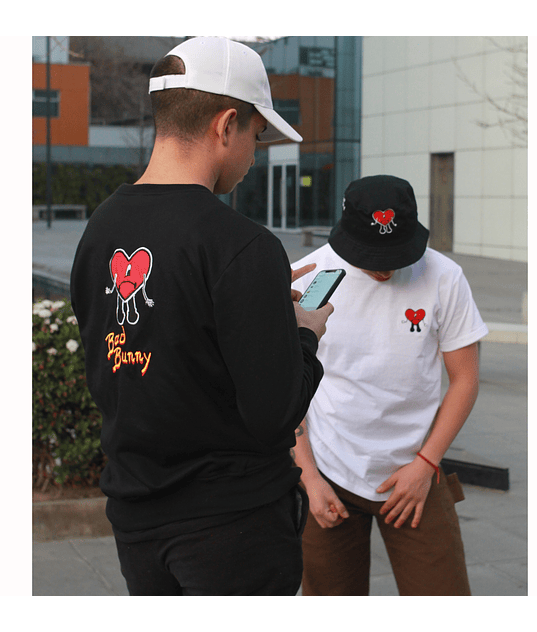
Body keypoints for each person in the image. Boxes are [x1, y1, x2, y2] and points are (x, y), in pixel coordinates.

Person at [70, 36, 333, 596]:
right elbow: (275, 415)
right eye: (256, 137)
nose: (254, 156)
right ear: (226, 125)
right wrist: (303, 335)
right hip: (234, 525)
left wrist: (255, 308)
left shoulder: (100, 230)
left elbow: (130, 363)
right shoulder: (242, 244)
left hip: (135, 517)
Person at [291, 175, 489, 596]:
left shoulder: (444, 276)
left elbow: (465, 379)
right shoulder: (312, 277)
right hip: (328, 471)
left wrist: (426, 464)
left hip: (417, 466)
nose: (382, 269)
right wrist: (308, 475)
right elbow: (290, 388)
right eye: (370, 257)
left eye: (394, 256)